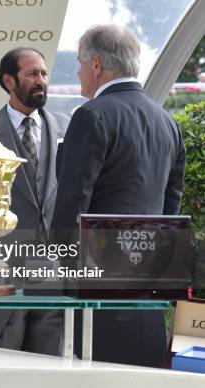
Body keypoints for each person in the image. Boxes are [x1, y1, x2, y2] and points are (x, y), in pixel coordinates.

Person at [51, 25, 186, 367]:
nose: (78, 72)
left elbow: (73, 200)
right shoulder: (167, 121)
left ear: (96, 64)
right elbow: (172, 205)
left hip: (98, 279)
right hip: (150, 276)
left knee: (98, 370)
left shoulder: (91, 115)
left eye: (80, 63)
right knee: (143, 370)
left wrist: (61, 264)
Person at [0, 47, 68, 355]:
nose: (41, 80)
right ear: (9, 81)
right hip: (0, 266)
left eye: (44, 74)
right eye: (32, 73)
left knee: (49, 362)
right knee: (1, 360)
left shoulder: (67, 127)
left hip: (53, 266)